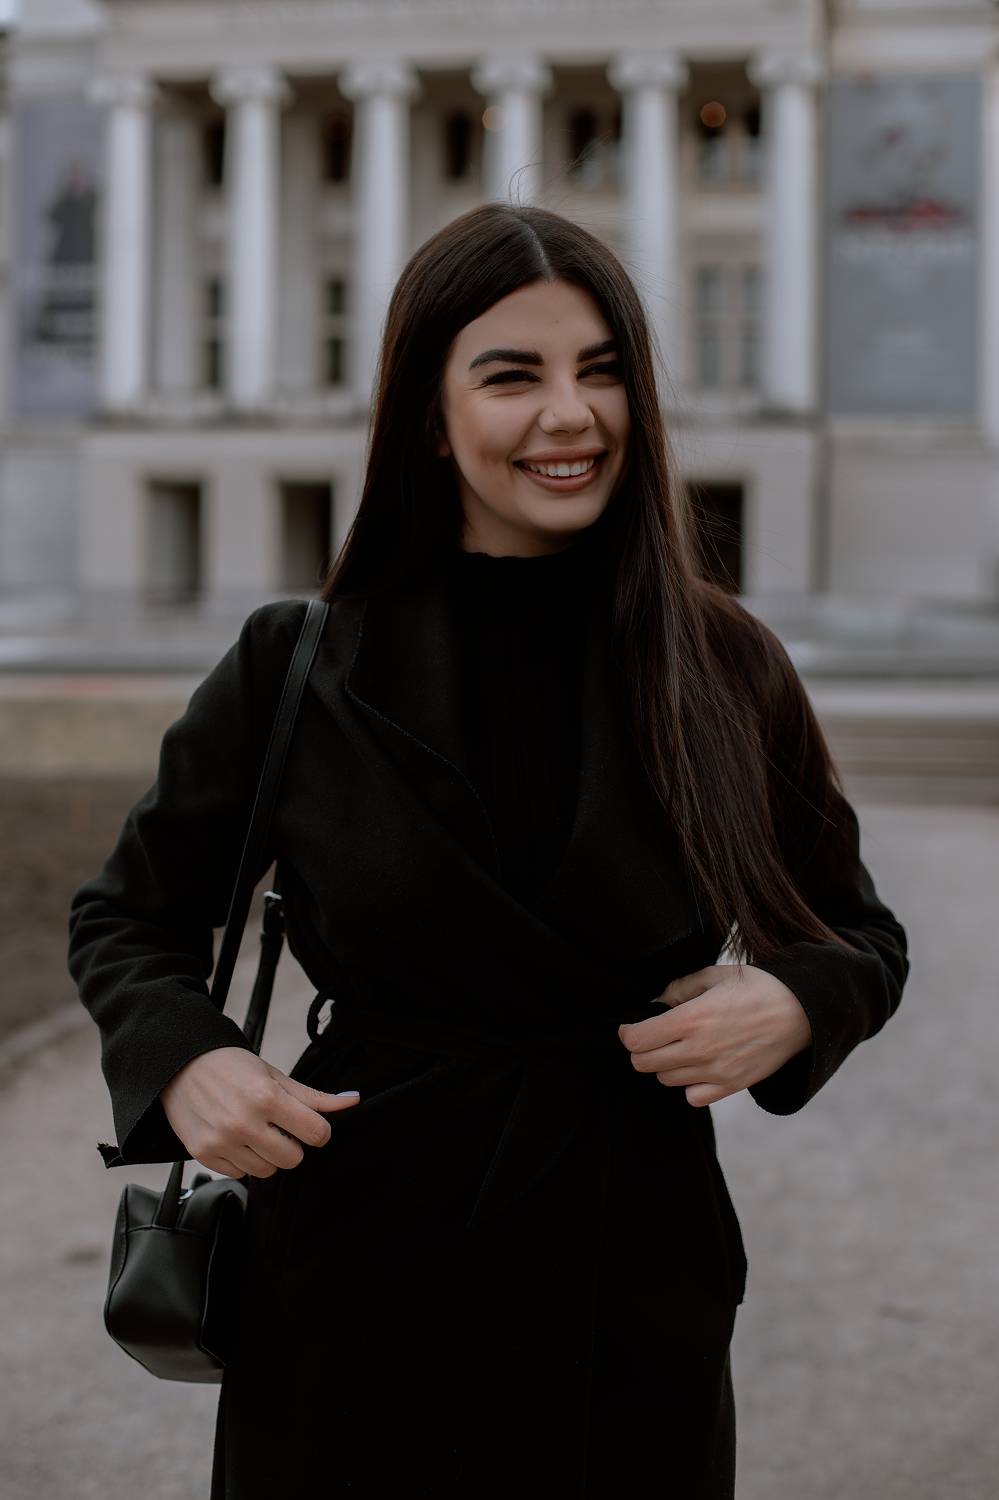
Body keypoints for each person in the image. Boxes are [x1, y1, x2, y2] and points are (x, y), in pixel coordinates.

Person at [67, 202, 909, 1500]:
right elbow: (129, 916)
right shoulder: (296, 660)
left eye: (602, 370)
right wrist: (187, 1060)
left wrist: (798, 1000)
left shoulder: (724, 662)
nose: (571, 415)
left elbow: (857, 932)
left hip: (631, 1272)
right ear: (427, 410)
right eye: (513, 376)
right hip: (355, 1268)